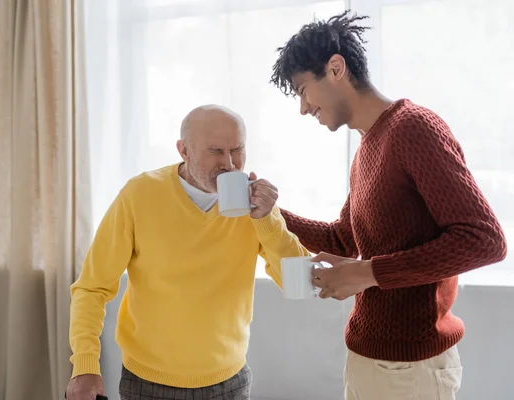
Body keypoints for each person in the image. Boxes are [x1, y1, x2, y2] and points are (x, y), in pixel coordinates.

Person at [270, 10, 507, 400]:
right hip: (371, 359)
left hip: (410, 370)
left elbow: (483, 240)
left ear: (335, 69)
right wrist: (267, 212)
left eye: (301, 90)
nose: (303, 107)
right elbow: (342, 238)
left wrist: (369, 273)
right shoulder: (367, 148)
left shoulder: (412, 128)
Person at [65, 104, 310, 400]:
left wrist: (267, 220)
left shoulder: (257, 206)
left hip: (229, 383)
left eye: (237, 150)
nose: (230, 165)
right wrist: (84, 365)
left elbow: (299, 285)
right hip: (147, 383)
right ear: (184, 150)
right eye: (216, 151)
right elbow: (92, 288)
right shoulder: (140, 195)